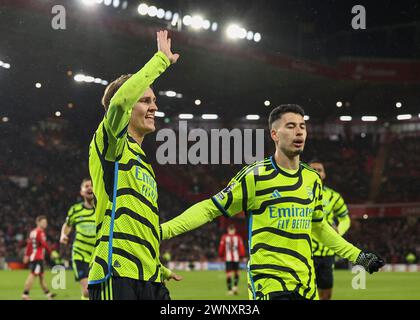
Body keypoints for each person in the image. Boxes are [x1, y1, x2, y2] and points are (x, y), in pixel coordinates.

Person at [160, 104, 385, 300]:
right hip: (269, 282)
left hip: (306, 283)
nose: (299, 131)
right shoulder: (254, 177)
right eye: (291, 126)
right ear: (274, 134)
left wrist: (358, 256)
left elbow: (319, 227)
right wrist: (163, 231)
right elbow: (210, 208)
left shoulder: (312, 180)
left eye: (302, 126)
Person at [87, 30, 182, 300]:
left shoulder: (144, 163)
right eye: (145, 100)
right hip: (115, 276)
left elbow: (139, 226)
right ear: (129, 106)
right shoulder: (110, 146)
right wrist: (160, 61)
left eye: (154, 100)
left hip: (148, 279)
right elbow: (117, 104)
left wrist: (154, 265)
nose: (154, 107)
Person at [309, 160, 351, 300]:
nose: (317, 172)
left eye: (319, 169)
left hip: (327, 252)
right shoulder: (296, 194)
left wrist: (338, 231)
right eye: (313, 169)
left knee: (326, 294)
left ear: (324, 174)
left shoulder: (334, 196)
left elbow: (345, 218)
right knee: (304, 291)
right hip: (305, 252)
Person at [60, 178, 96, 300]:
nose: (89, 188)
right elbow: (67, 225)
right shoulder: (75, 210)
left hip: (98, 254)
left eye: (91, 185)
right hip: (80, 254)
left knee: (98, 289)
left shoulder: (102, 208)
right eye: (86, 186)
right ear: (81, 192)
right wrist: (63, 235)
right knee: (87, 292)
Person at [22, 216, 56, 300]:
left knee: (41, 277)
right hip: (38, 257)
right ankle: (25, 294)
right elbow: (43, 243)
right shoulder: (40, 232)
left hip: (34, 257)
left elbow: (29, 245)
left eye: (46, 222)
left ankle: (48, 294)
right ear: (38, 222)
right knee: (32, 275)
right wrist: (51, 251)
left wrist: (27, 255)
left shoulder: (33, 232)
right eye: (44, 222)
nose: (45, 224)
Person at [218, 224, 245, 295]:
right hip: (236, 258)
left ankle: (230, 290)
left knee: (228, 274)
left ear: (228, 230)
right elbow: (241, 247)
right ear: (234, 230)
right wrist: (242, 256)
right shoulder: (238, 238)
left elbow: (221, 247)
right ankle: (235, 286)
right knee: (237, 272)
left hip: (228, 258)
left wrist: (220, 255)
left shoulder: (224, 237)